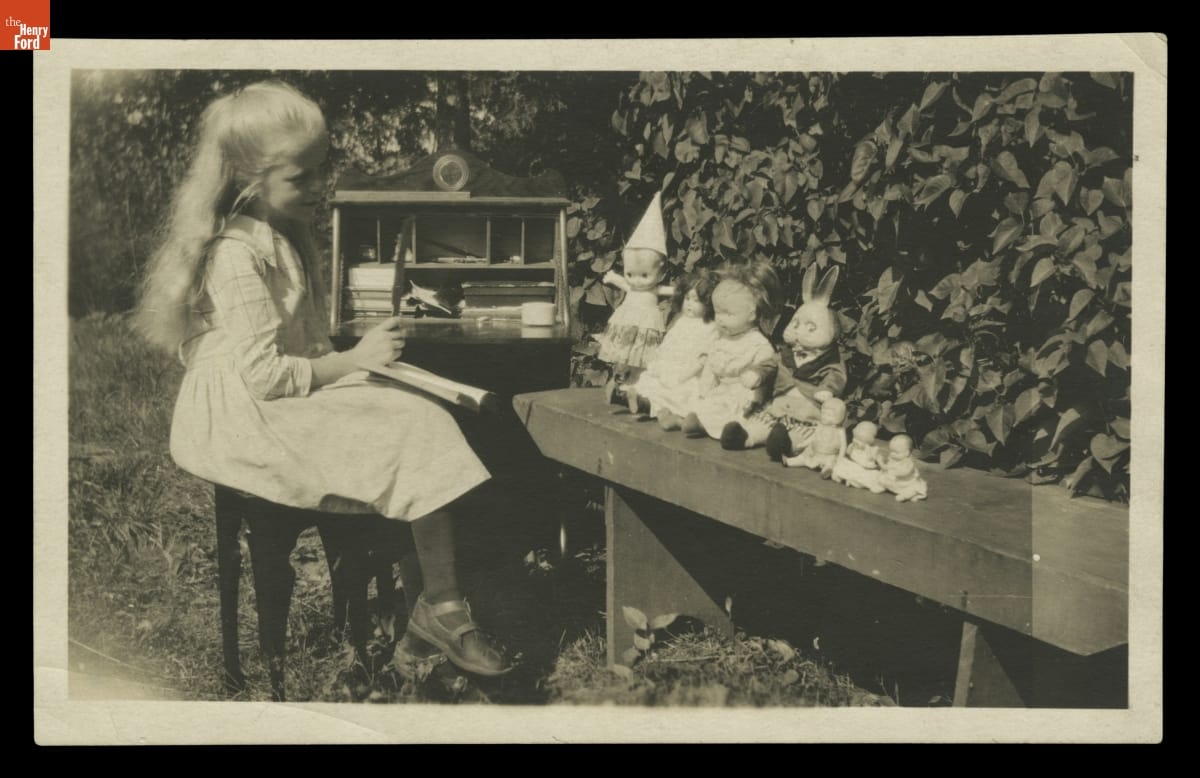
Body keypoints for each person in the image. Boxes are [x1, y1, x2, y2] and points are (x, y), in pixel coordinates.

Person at [134, 81, 513, 678]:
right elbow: (264, 375)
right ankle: (441, 611)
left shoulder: (282, 238)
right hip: (244, 416)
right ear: (251, 180)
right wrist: (358, 359)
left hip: (276, 395)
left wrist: (368, 365)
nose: (319, 187)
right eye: (301, 177)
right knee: (415, 425)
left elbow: (304, 349)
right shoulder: (236, 254)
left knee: (419, 409)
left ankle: (425, 617)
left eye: (321, 170)